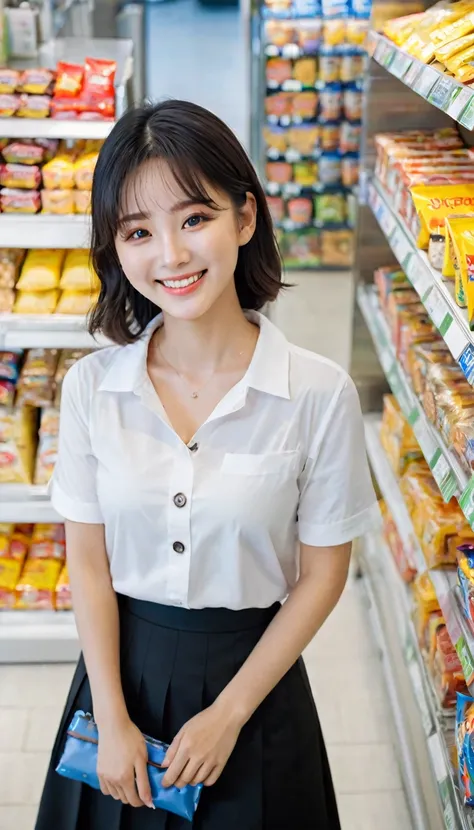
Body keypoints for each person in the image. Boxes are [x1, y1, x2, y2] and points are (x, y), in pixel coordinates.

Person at [35, 99, 379, 830]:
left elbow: (322, 574)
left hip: (254, 688)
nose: (171, 255)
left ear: (245, 218)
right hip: (118, 682)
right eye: (138, 231)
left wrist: (229, 714)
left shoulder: (316, 392)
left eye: (194, 218)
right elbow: (89, 566)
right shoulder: (93, 388)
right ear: (116, 249)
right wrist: (113, 718)